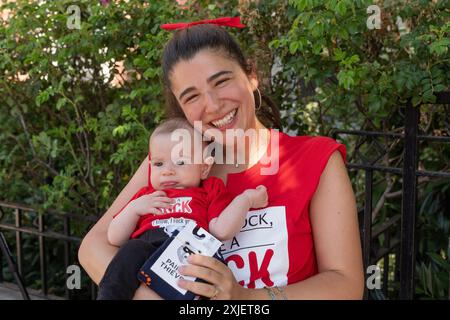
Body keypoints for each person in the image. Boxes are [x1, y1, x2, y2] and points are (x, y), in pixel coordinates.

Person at [79, 17, 364, 300]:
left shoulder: (316, 159)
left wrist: (245, 298)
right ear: (180, 107)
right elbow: (93, 246)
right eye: (192, 97)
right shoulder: (176, 163)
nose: (213, 106)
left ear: (251, 75)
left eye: (222, 81)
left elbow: (345, 284)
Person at [97, 117, 268, 300]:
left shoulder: (209, 189)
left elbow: (222, 230)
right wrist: (134, 209)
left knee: (210, 276)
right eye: (158, 164)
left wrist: (246, 200)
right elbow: (114, 237)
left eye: (180, 162)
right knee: (128, 252)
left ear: (204, 168)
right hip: (147, 249)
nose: (167, 171)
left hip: (190, 255)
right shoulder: (146, 196)